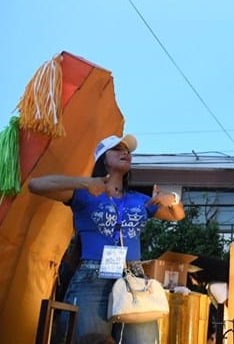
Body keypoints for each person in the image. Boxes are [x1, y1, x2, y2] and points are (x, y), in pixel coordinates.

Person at [28, 134, 185, 344]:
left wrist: (173, 199)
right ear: (103, 159)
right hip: (92, 278)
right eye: (118, 149)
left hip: (134, 277)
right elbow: (35, 185)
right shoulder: (84, 194)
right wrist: (85, 183)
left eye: (127, 150)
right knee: (92, 341)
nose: (125, 153)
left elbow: (177, 215)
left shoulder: (139, 199)